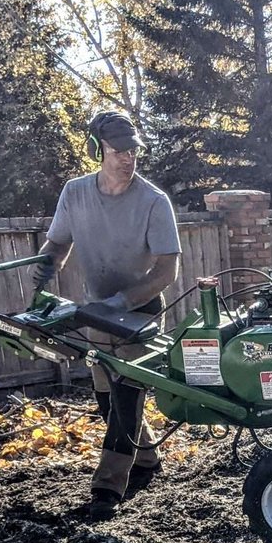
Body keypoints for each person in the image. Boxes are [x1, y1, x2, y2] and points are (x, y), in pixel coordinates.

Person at [36, 110, 182, 519]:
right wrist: (42, 275)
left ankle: (107, 489)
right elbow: (57, 246)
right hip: (95, 314)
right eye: (119, 151)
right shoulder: (75, 193)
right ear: (97, 150)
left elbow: (167, 271)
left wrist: (122, 302)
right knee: (106, 397)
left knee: (126, 396)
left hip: (141, 315)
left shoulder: (154, 201)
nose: (128, 158)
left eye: (133, 150)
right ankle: (148, 459)